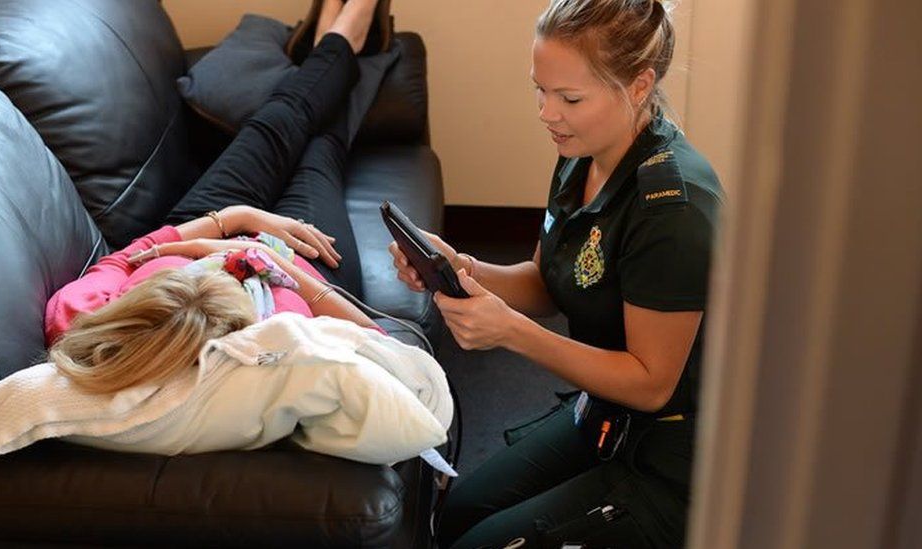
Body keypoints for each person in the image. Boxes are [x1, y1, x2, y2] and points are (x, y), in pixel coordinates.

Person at [389, 0, 722, 547]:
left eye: (569, 98)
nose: (547, 113)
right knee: (454, 514)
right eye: (540, 91)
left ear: (639, 86)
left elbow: (652, 383)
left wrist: (511, 334)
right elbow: (549, 283)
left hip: (668, 455)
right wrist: (461, 268)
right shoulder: (579, 156)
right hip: (605, 416)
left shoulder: (673, 209)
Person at [45, 0, 392, 393]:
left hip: (203, 224)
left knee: (280, 120)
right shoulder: (268, 348)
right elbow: (380, 346)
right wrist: (265, 257)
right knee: (320, 146)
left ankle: (334, 37)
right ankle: (344, 32)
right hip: (300, 263)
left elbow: (126, 257)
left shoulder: (78, 317)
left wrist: (234, 220)